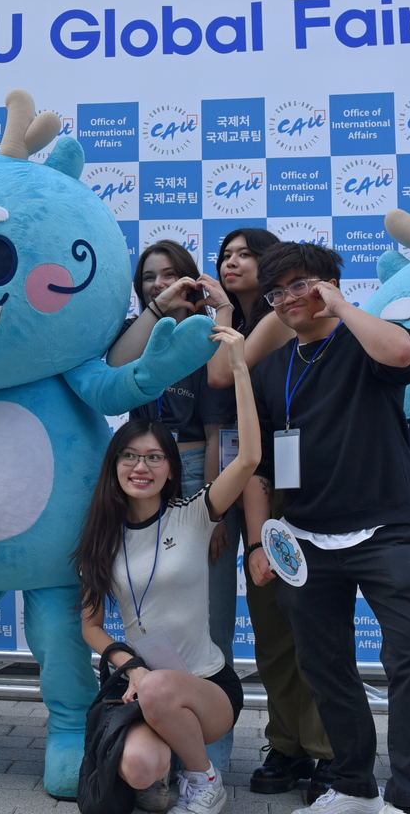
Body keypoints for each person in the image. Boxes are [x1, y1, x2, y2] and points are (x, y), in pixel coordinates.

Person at [242, 242, 410, 814]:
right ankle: (354, 785)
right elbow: (258, 466)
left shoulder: (366, 340)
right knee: (325, 669)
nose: (287, 301)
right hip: (304, 541)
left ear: (329, 283)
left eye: (300, 285)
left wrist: (343, 307)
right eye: (277, 293)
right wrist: (259, 540)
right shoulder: (275, 369)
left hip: (384, 532)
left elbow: (403, 354)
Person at [76, 323, 261, 814]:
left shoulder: (195, 514)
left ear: (170, 468)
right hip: (141, 684)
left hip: (208, 688)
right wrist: (130, 667)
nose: (142, 467)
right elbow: (91, 627)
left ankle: (204, 781)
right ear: (115, 467)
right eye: (130, 456)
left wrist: (240, 367)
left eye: (155, 457)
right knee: (137, 767)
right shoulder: (102, 536)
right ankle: (163, 774)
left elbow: (248, 459)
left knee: (160, 687)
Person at [205, 230, 333, 803]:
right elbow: (221, 393)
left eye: (244, 254)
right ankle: (287, 742)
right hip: (257, 483)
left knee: (316, 628)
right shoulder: (232, 328)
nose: (231, 263)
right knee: (272, 628)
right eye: (224, 256)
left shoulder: (297, 320)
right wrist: (256, 537)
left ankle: (328, 751)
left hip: (318, 489)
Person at [106, 240, 236, 787]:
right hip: (143, 477)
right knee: (149, 617)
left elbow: (218, 433)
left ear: (191, 278)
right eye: (149, 278)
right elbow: (114, 368)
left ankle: (213, 757)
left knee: (209, 623)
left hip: (193, 477)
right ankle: (160, 735)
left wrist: (214, 514)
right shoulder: (144, 330)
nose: (158, 284)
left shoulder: (207, 335)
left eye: (168, 276)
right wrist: (157, 310)